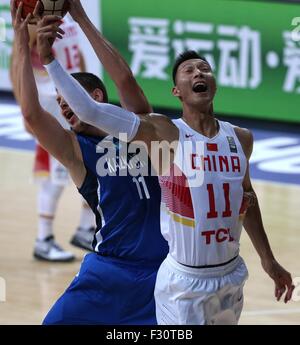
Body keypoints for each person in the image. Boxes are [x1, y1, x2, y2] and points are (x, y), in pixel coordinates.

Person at [43, 14, 295, 325]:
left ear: (214, 82)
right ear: (177, 91)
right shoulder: (163, 133)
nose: (198, 72)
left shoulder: (241, 139)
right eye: (188, 71)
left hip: (231, 275)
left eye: (204, 68)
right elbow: (90, 110)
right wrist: (50, 59)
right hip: (184, 282)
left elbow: (247, 197)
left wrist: (268, 260)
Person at [11, 0, 168, 324]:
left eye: (67, 99)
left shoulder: (142, 129)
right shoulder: (76, 150)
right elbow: (30, 114)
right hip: (107, 271)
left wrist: (80, 16)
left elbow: (124, 80)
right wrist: (21, 42)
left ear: (95, 97)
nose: (63, 107)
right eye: (58, 101)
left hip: (162, 274)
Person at [10, 9, 95, 261]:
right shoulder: (33, 17)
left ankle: (86, 228)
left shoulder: (64, 13)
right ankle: (43, 239)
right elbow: (19, 58)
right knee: (55, 173)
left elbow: (76, 53)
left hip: (68, 96)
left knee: (89, 159)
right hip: (48, 101)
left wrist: (83, 89)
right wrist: (25, 109)